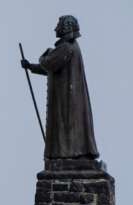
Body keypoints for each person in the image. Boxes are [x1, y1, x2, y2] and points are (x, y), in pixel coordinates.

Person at [21, 15, 99, 160]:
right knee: (68, 125)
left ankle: (68, 153)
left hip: (67, 97)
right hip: (68, 95)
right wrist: (31, 66)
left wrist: (44, 56)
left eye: (58, 25)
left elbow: (49, 63)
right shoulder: (70, 47)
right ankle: (70, 152)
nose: (55, 28)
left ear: (65, 28)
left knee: (67, 124)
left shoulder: (66, 47)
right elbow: (53, 68)